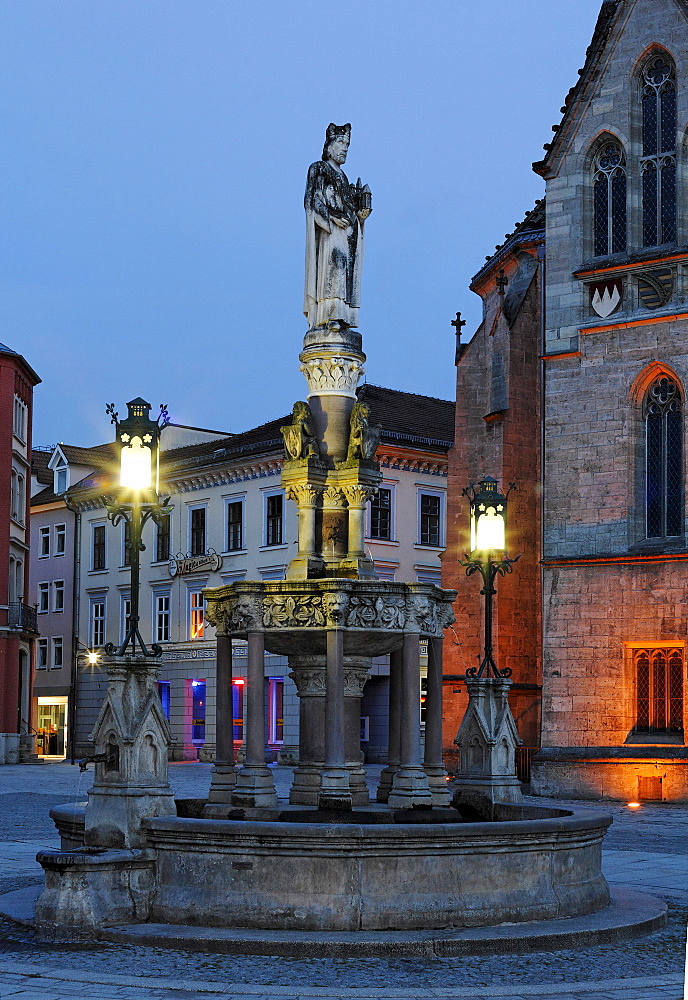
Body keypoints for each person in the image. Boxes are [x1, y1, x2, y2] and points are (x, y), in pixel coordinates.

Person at [304, 124, 371, 331]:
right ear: (330, 145)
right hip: (331, 232)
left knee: (346, 273)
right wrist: (331, 217)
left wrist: (360, 215)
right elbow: (312, 201)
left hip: (348, 233)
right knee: (334, 268)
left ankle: (343, 316)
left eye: (347, 145)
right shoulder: (319, 169)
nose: (345, 148)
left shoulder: (344, 177)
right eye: (341, 143)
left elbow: (350, 206)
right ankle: (329, 314)